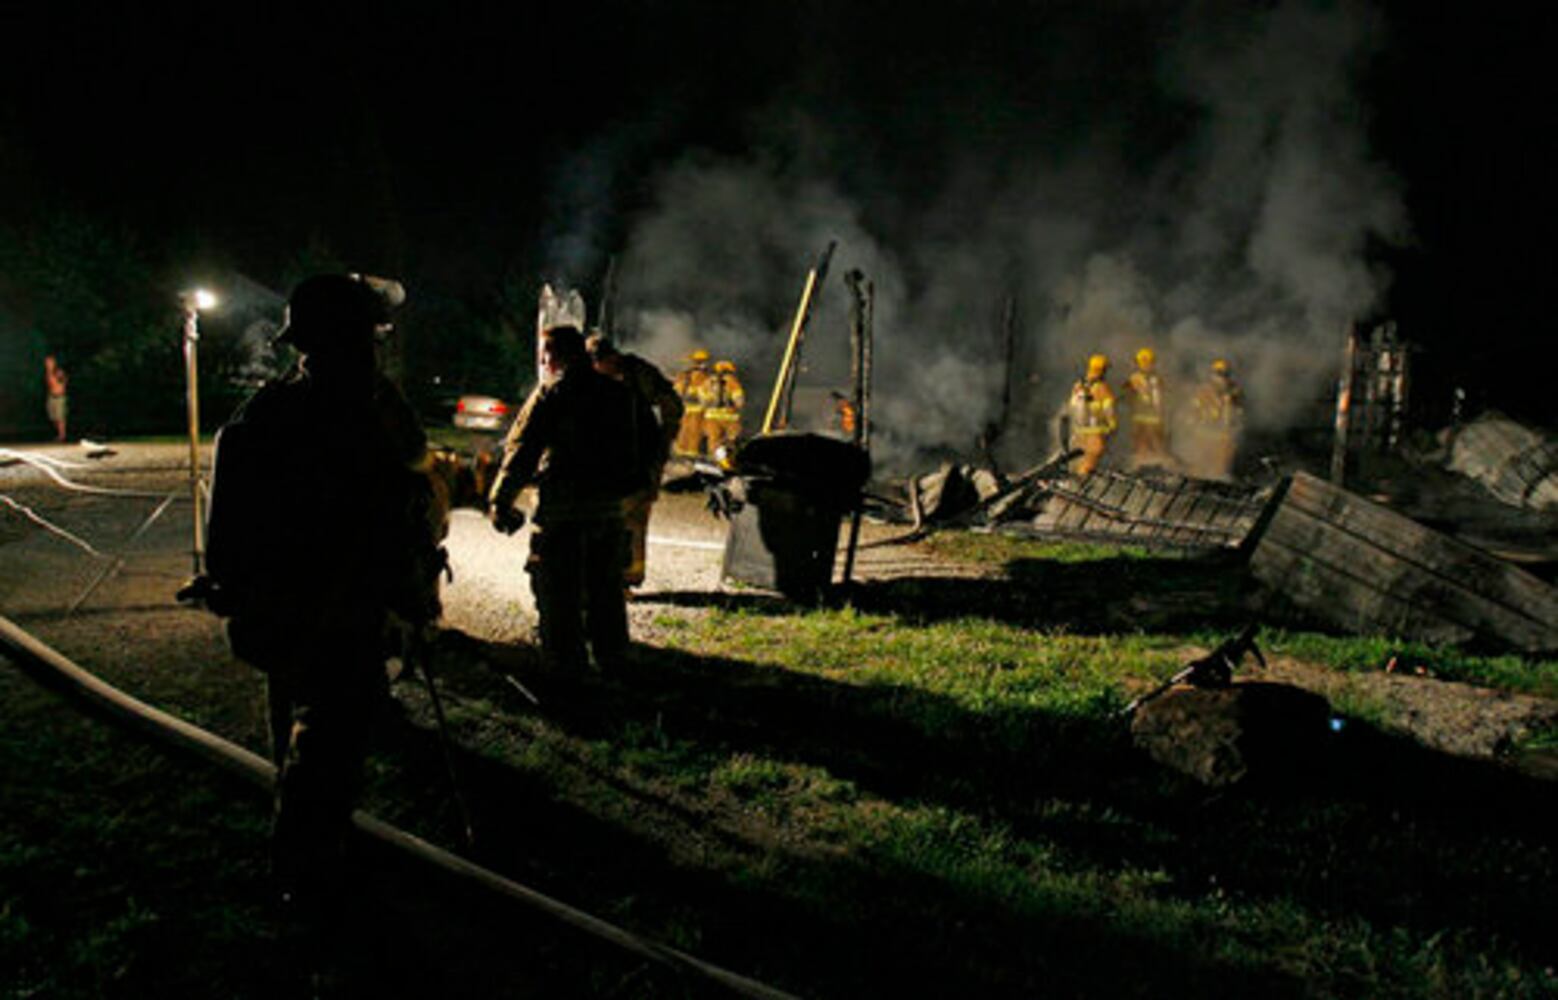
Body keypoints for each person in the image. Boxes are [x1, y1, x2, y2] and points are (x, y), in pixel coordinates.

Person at [198, 273, 446, 950]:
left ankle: (312, 851)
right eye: (369, 336)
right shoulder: (332, 416)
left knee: (308, 731)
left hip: (309, 612)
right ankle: (305, 878)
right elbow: (397, 501)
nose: (377, 349)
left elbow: (409, 496)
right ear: (347, 340)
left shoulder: (284, 411)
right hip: (326, 611)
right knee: (328, 742)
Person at [488, 325, 658, 672]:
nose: (542, 361)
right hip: (609, 512)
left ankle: (567, 668)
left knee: (559, 594)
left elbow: (522, 450)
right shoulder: (619, 395)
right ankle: (614, 660)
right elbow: (649, 444)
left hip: (561, 512)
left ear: (554, 356)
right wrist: (633, 490)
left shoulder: (552, 394)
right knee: (606, 591)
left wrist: (500, 501)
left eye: (544, 353)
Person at [586, 330, 682, 593]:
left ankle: (627, 576)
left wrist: (664, 442)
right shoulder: (587, 376)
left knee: (634, 518)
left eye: (601, 365)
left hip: (641, 453)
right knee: (606, 519)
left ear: (611, 358)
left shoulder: (639, 373)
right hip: (605, 456)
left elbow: (671, 403)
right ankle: (609, 578)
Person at [1189, 357, 1246, 480]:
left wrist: (1235, 427)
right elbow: (1195, 410)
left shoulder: (1235, 392)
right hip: (1204, 431)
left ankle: (1218, 481)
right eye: (1219, 374)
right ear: (1212, 375)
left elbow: (1239, 413)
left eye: (1225, 374)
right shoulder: (1202, 391)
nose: (1222, 378)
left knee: (1221, 464)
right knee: (1199, 464)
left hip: (1224, 434)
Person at [1067, 353, 1117, 476]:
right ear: (1102, 370)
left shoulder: (1077, 386)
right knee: (1088, 465)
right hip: (1095, 435)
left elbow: (1071, 408)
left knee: (1077, 463)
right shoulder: (1102, 388)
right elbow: (1109, 410)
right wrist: (1112, 426)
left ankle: (1074, 484)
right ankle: (1078, 489)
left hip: (1077, 434)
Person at [1120, 347, 1169, 468]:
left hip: (1141, 418)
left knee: (1143, 445)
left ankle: (1144, 466)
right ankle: (1152, 466)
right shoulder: (1157, 379)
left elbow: (1127, 397)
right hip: (1152, 419)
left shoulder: (1134, 379)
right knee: (1153, 445)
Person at [700, 359, 745, 466]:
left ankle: (715, 463)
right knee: (732, 441)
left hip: (711, 417)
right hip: (730, 418)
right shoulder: (732, 382)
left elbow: (702, 400)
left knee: (714, 442)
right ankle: (730, 463)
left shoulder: (707, 382)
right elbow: (740, 401)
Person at [671, 348, 711, 457]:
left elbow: (677, 390)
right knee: (694, 433)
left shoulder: (684, 375)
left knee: (683, 431)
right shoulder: (704, 376)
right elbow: (706, 394)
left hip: (685, 407)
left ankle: (680, 453)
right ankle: (690, 456)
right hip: (697, 409)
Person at [43, 354, 68, 442]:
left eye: (50, 362)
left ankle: (62, 435)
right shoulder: (47, 373)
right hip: (51, 397)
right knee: (53, 417)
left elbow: (62, 382)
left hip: (59, 397)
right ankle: (59, 433)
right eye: (47, 362)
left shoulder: (58, 372)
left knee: (60, 417)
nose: (48, 364)